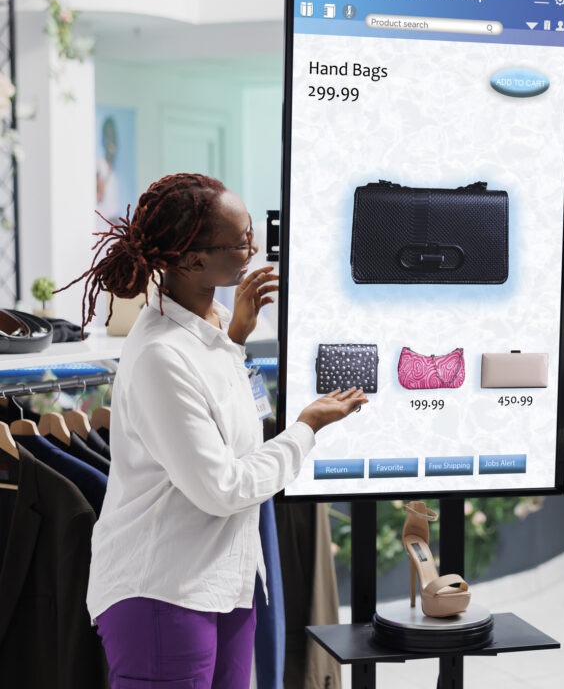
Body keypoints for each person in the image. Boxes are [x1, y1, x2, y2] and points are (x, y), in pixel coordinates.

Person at [59, 173, 368, 687]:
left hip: (225, 582)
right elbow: (221, 488)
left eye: (251, 234)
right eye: (240, 241)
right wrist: (305, 428)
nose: (254, 250)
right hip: (164, 594)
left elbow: (225, 423)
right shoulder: (161, 355)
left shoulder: (214, 328)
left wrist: (236, 338)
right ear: (191, 260)